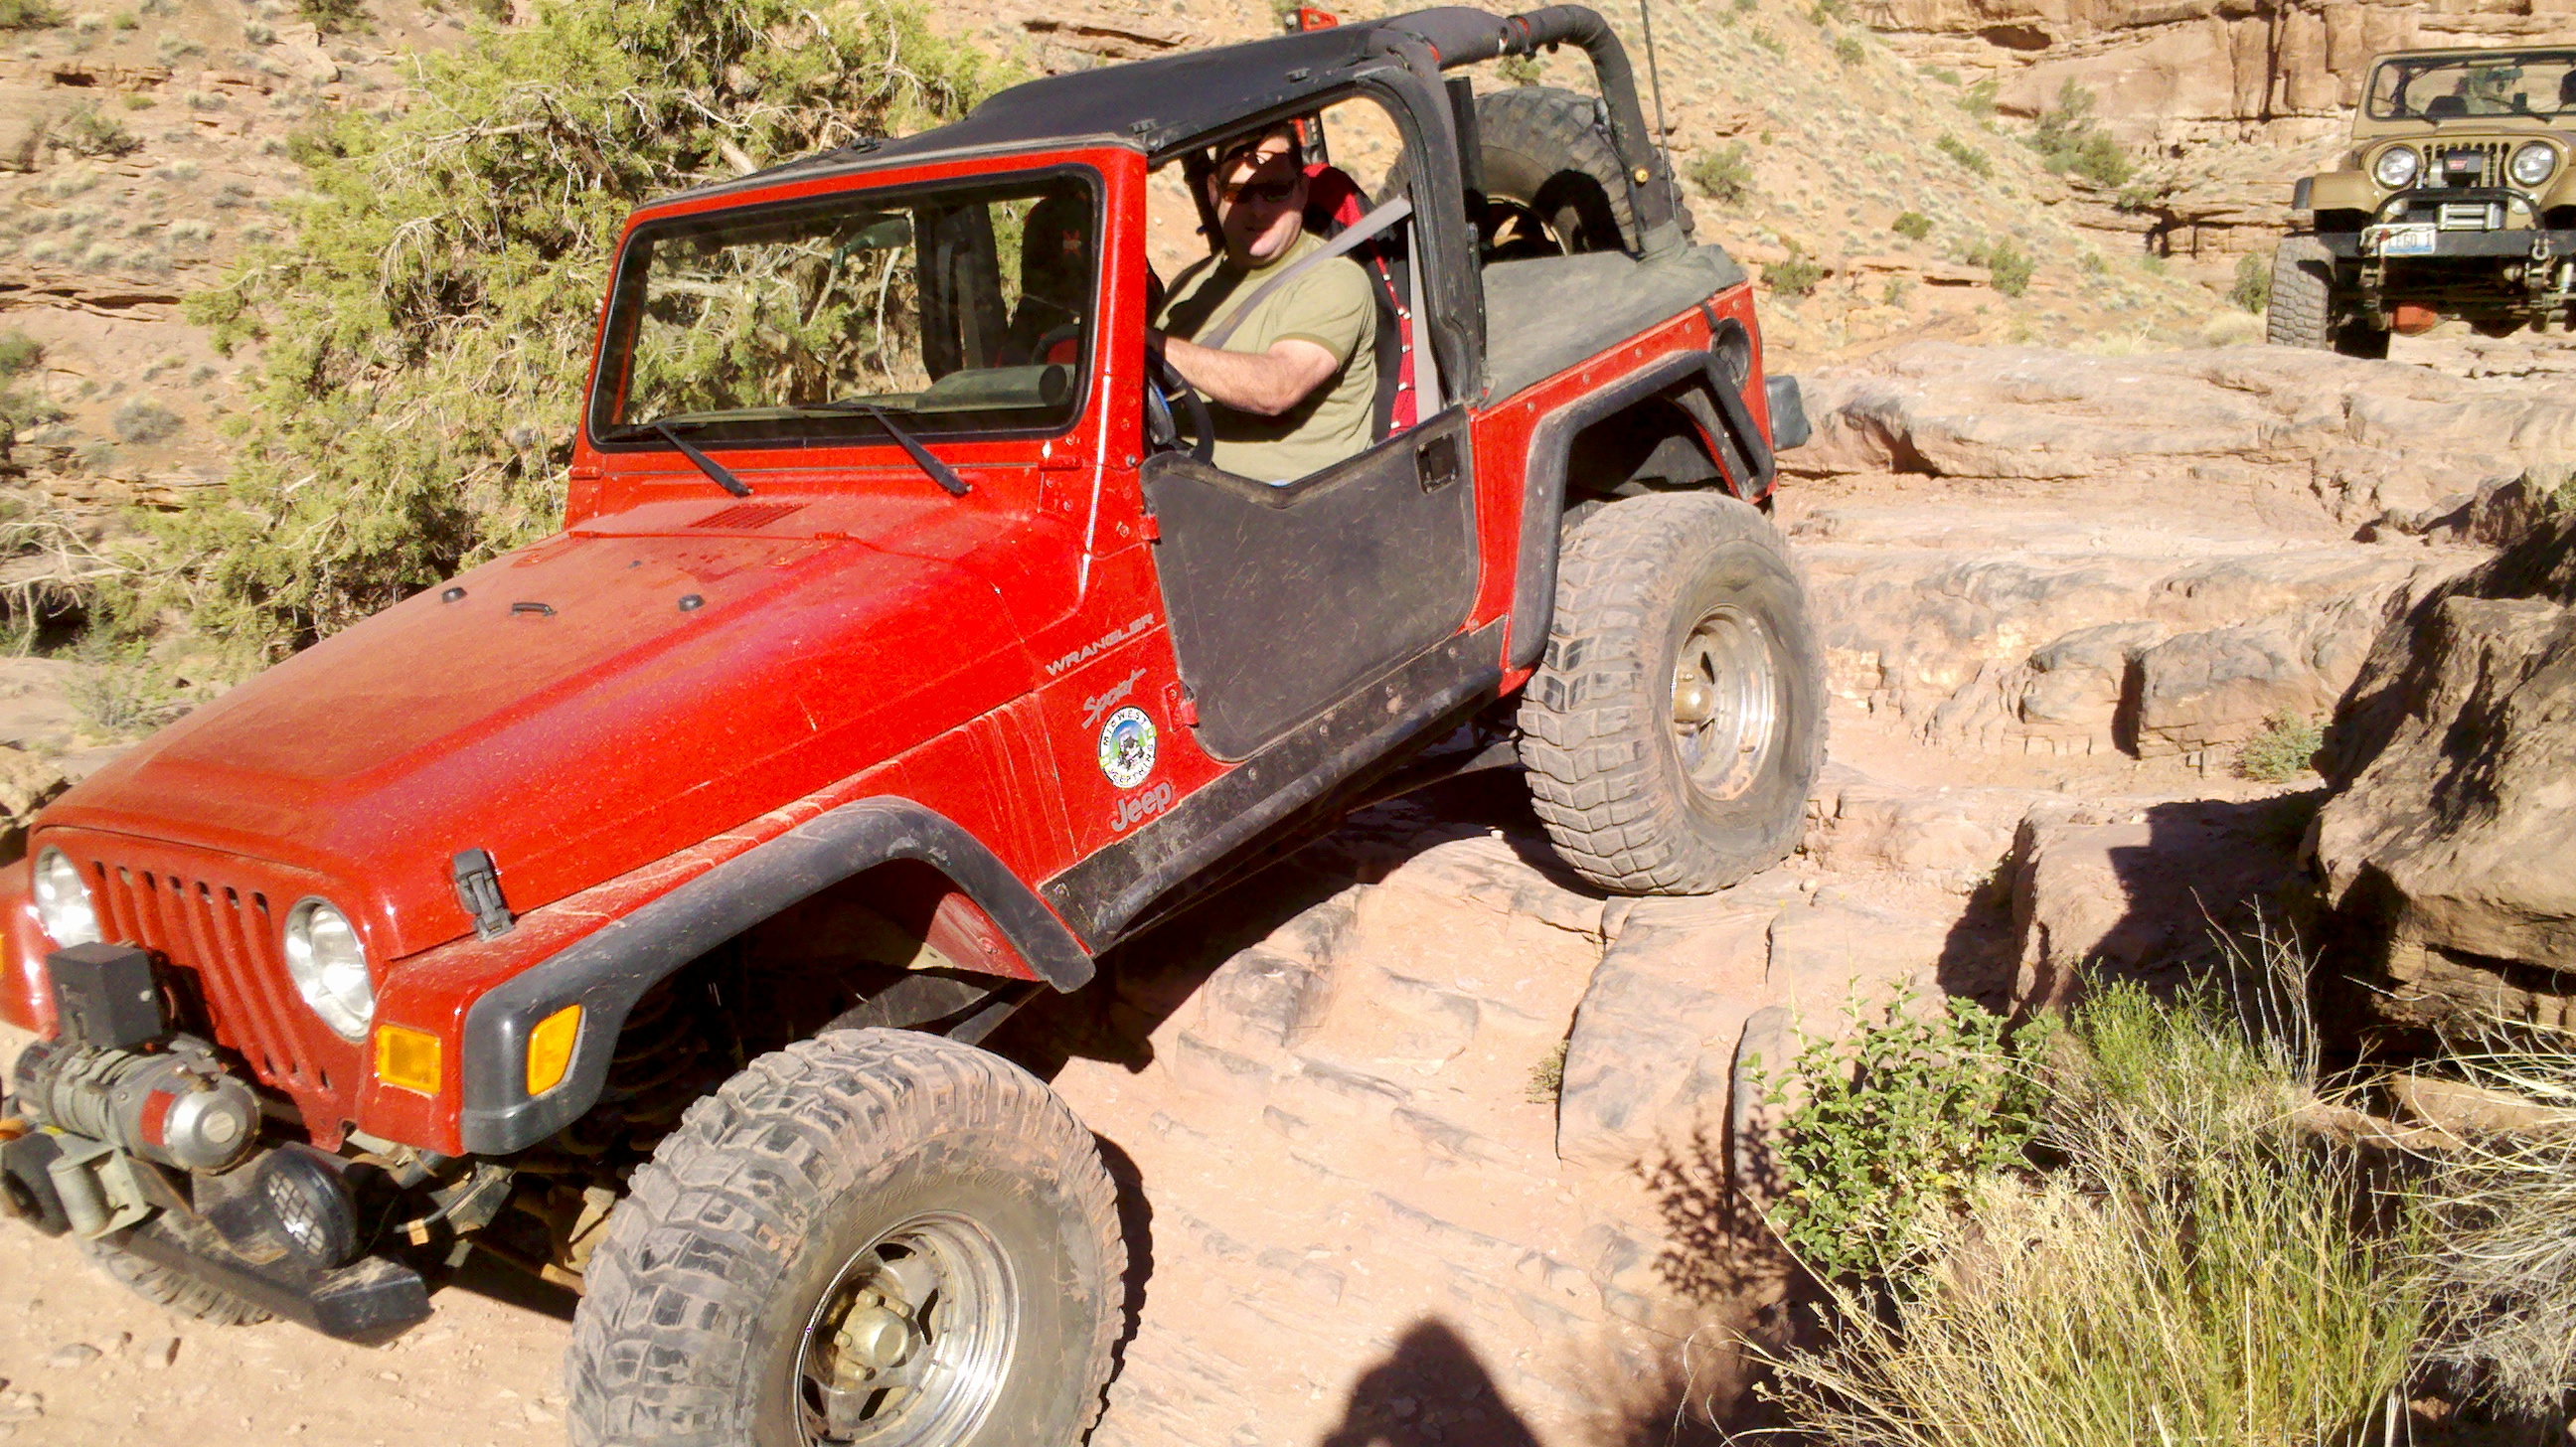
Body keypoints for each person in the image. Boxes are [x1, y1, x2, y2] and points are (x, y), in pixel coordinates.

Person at [1150, 123, 1378, 482]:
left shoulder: (1334, 279)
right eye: (1239, 192)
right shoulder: (1192, 282)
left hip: (1289, 503)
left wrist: (1153, 344)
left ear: (1301, 191)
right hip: (1175, 483)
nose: (1257, 210)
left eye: (1275, 191)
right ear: (1214, 192)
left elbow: (1278, 386)